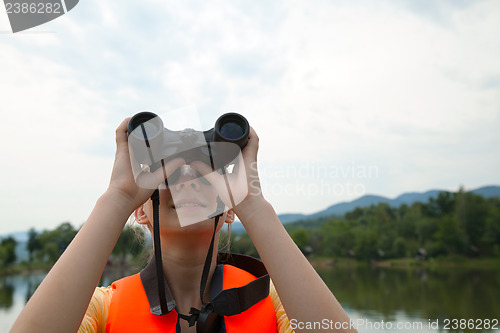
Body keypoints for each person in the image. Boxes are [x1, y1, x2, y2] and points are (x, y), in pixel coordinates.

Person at [11, 117, 356, 333]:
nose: (188, 179)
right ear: (141, 212)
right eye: (171, 173)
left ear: (229, 211)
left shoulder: (277, 304)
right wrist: (116, 198)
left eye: (206, 173)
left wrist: (253, 204)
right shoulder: (102, 309)